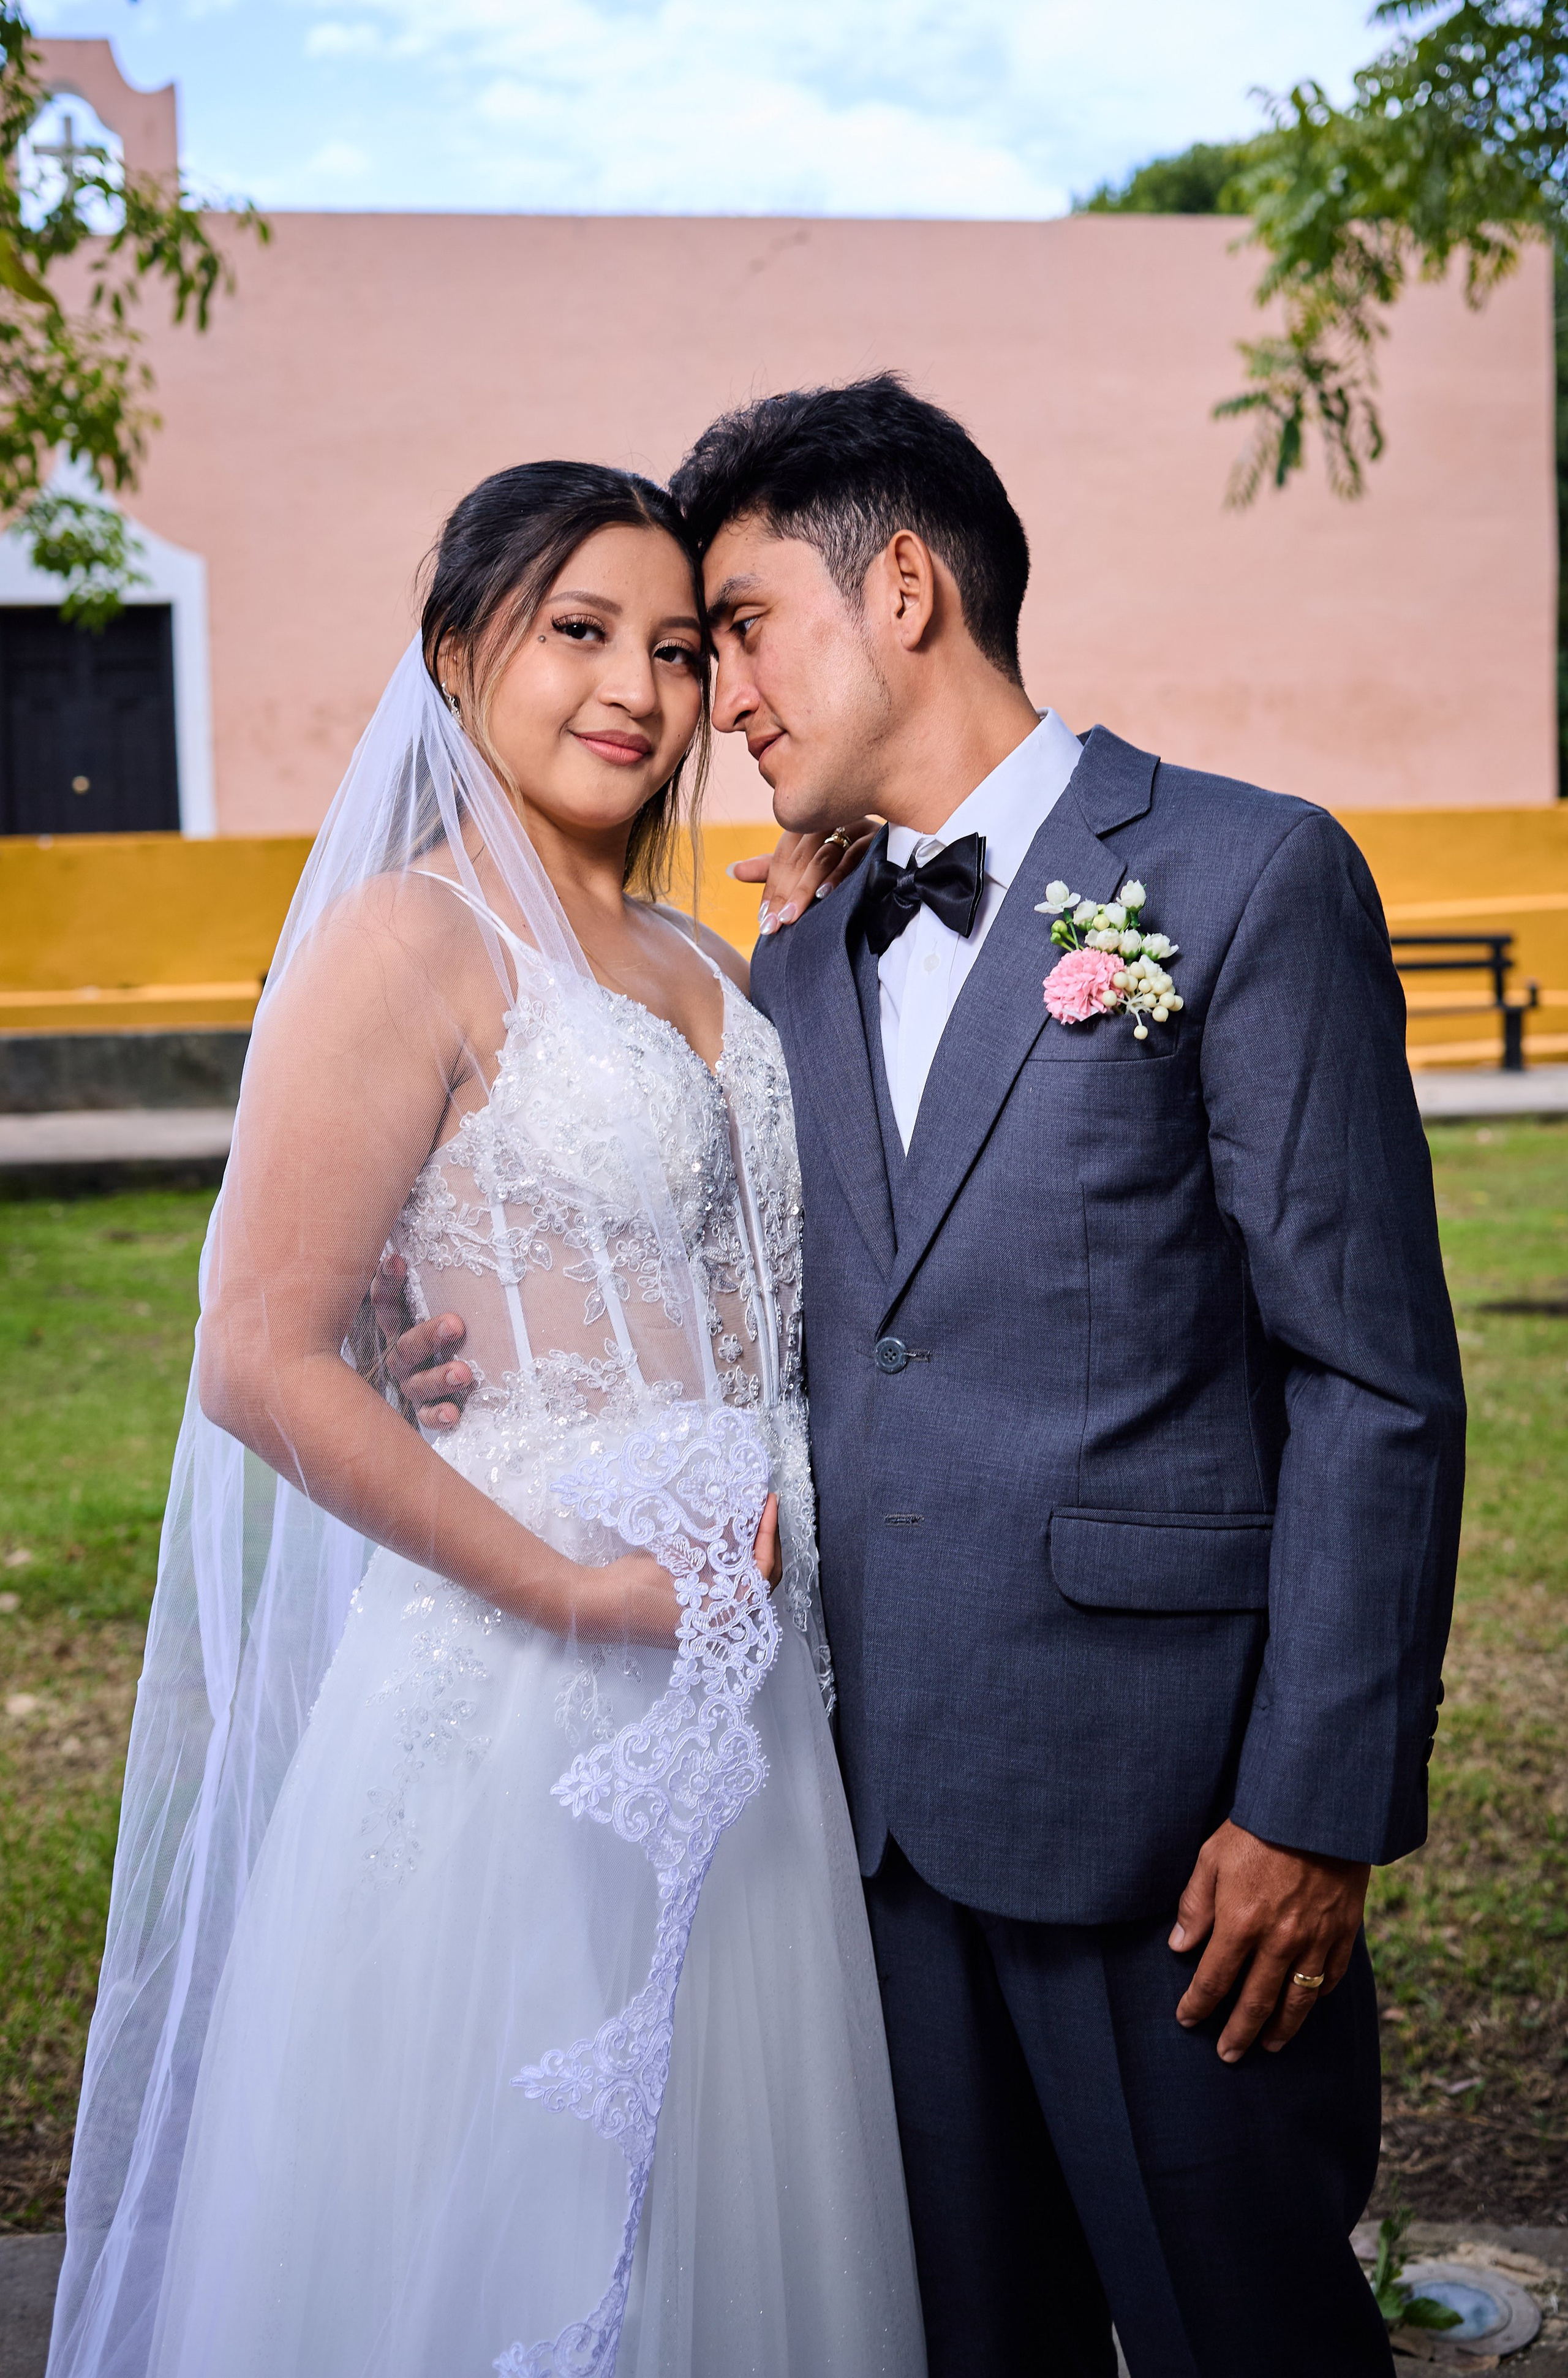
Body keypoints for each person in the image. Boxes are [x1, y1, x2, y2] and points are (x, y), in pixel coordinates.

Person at [390, 378, 1464, 2378]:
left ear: (903, 587)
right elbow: (715, 1292)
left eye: (738, 627)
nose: (715, 697)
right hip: (849, 1836)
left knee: (1251, 2334)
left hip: (1172, 1839)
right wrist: (437, 1322)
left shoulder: (1241, 876)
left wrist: (1314, 1811)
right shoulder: (777, 973)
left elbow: (1372, 1380)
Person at [47, 462, 925, 2378]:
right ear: (459, 657)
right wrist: (570, 1591)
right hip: (531, 1679)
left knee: (741, 2215)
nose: (639, 687)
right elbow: (257, 1354)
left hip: (762, 1687)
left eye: (680, 649)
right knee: (507, 2213)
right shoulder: (404, 941)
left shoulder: (712, 962)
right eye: (579, 634)